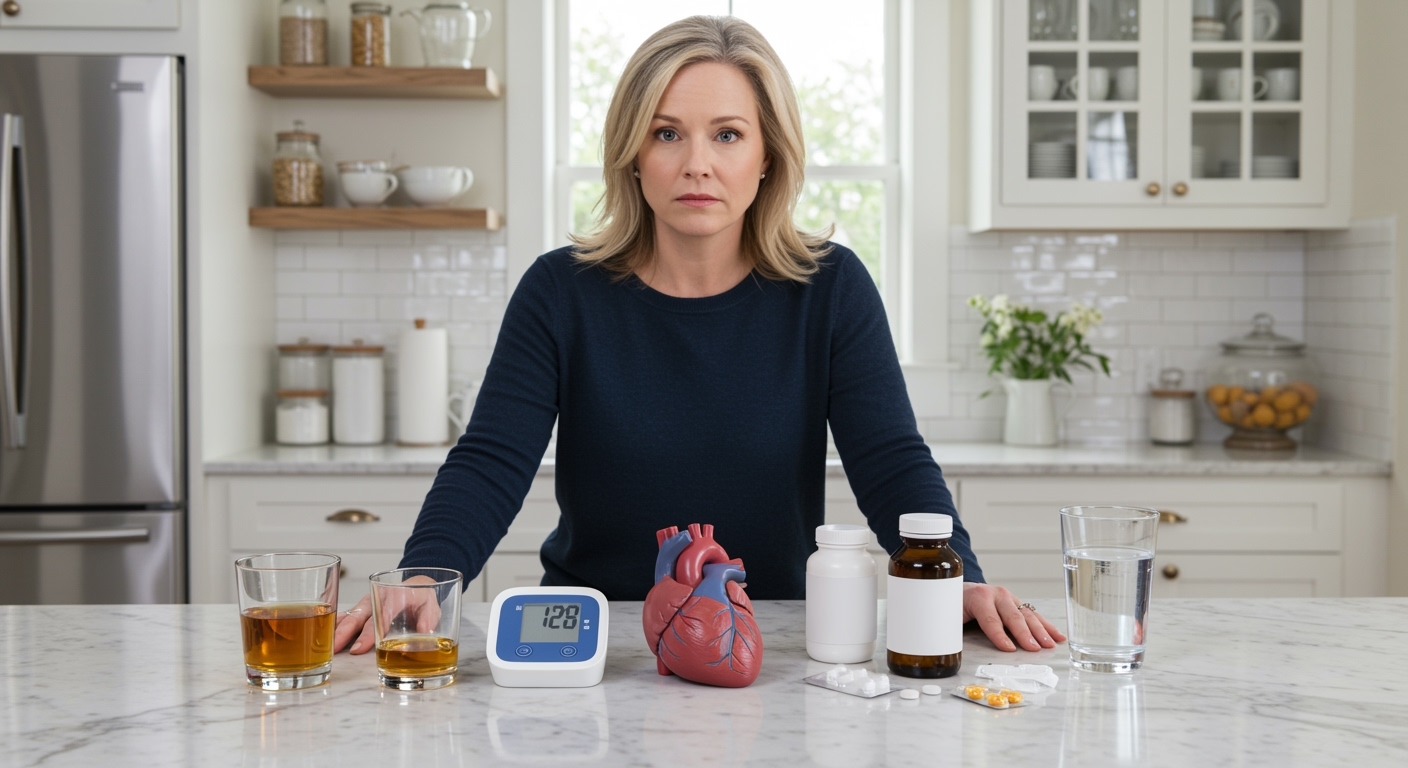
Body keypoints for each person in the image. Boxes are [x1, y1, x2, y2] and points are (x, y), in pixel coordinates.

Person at [335, 15, 1063, 656]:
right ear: (632, 152)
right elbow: (491, 461)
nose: (697, 164)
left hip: (771, 637)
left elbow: (889, 459)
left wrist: (954, 576)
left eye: (727, 134)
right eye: (667, 133)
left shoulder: (831, 288)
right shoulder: (561, 291)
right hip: (599, 635)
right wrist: (426, 576)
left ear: (767, 155)